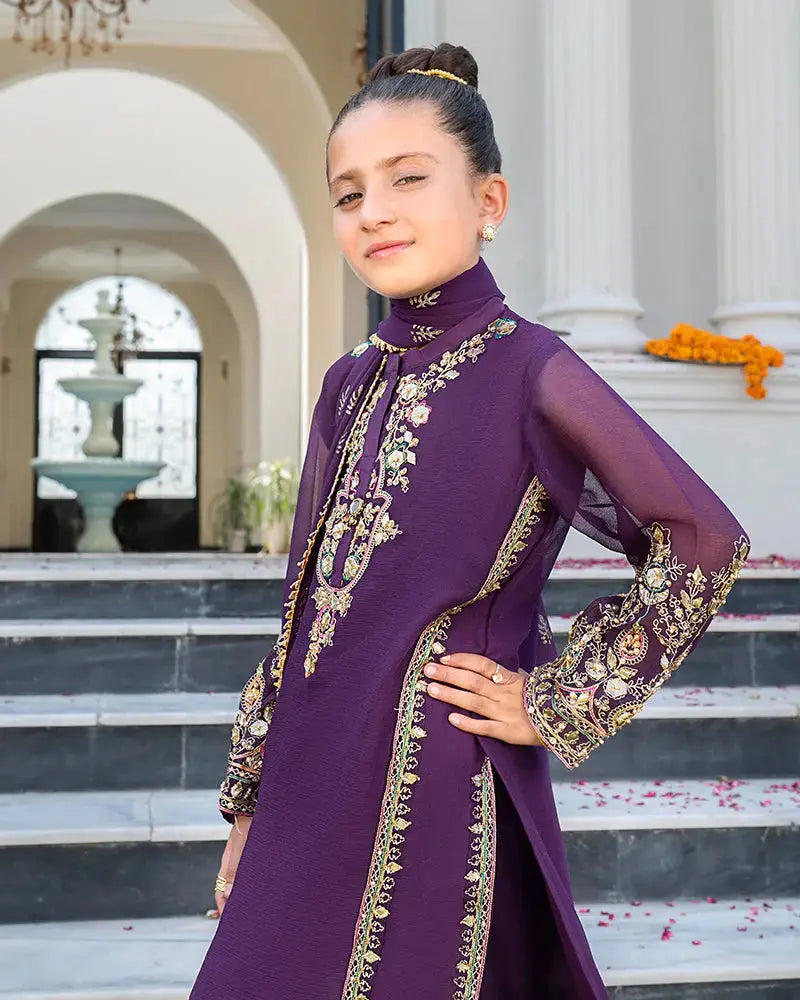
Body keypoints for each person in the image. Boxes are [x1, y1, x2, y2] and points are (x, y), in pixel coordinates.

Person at [189, 43, 750, 1000]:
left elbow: (703, 538)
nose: (373, 211)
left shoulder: (532, 369)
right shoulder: (348, 384)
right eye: (348, 193)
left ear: (489, 201)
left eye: (407, 178)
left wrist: (558, 699)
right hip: (307, 784)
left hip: (430, 785)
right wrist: (250, 803)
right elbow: (302, 613)